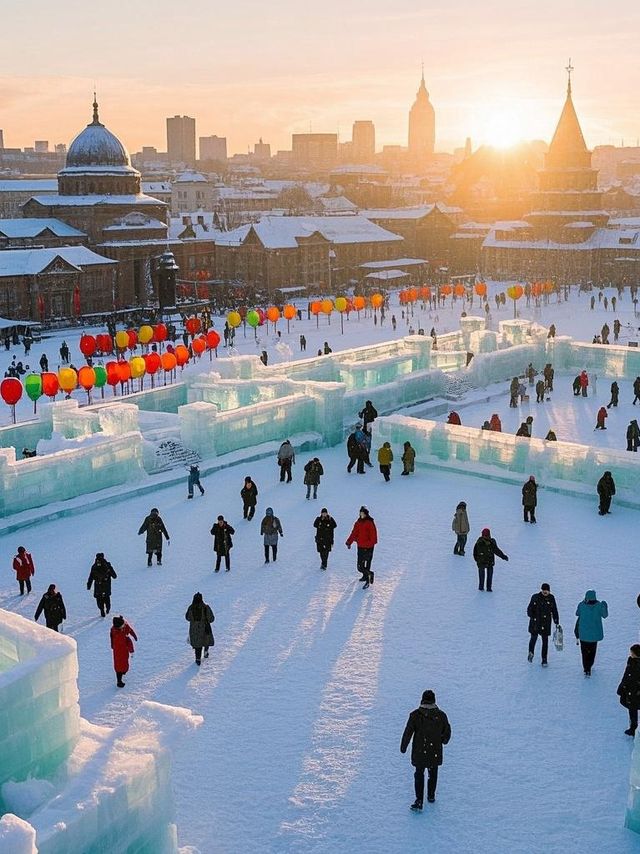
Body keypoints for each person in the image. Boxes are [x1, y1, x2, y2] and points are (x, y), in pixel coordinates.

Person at [400, 689, 451, 811]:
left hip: (419, 751)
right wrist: (443, 740)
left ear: (422, 700)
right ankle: (431, 795)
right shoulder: (441, 716)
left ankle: (419, 800)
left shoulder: (415, 715)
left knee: (419, 774)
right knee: (433, 773)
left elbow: (408, 732)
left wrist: (403, 747)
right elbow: (447, 732)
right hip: (435, 750)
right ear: (434, 701)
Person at [575, 590, 608, 677]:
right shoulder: (599, 605)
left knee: (584, 652)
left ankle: (586, 668)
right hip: (594, 635)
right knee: (592, 651)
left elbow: (577, 613)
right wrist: (605, 605)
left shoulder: (581, 605)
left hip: (583, 634)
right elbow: (605, 615)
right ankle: (590, 665)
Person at [527, 583, 559, 666]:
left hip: (546, 622)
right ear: (541, 590)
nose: (545, 592)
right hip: (535, 622)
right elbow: (529, 608)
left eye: (547, 590)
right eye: (544, 590)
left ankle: (544, 659)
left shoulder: (551, 598)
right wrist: (532, 616)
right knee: (533, 638)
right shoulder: (535, 597)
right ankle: (531, 652)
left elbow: (554, 609)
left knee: (545, 641)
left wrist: (556, 621)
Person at [345, 506, 378, 589]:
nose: (361, 514)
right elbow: (354, 533)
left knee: (367, 564)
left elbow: (374, 536)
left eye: (363, 513)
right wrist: (349, 542)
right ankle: (368, 574)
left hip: (369, 547)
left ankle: (367, 580)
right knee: (360, 566)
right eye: (360, 513)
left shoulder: (370, 522)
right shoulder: (358, 522)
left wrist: (369, 544)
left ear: (366, 514)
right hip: (360, 546)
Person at [472, 527, 508, 592]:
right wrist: (478, 560)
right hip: (481, 563)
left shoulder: (492, 542)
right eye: (485, 536)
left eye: (488, 535)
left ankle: (489, 588)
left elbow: (496, 550)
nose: (487, 537)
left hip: (490, 562)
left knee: (490, 576)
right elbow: (475, 553)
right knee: (481, 576)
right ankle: (481, 588)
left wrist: (503, 556)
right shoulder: (479, 543)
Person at [185, 592, 215, 665]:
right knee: (206, 641)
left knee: (197, 645)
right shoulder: (206, 607)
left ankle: (198, 659)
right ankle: (206, 652)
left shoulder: (191, 608)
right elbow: (211, 619)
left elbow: (187, 618)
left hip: (194, 630)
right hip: (205, 628)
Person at [617, 644, 640, 736]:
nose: (630, 654)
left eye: (632, 652)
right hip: (631, 690)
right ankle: (633, 728)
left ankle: (633, 728)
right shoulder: (631, 661)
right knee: (632, 709)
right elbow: (626, 676)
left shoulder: (635, 664)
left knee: (633, 709)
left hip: (634, 691)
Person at [87, 553, 117, 617]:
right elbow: (114, 576)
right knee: (107, 600)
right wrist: (110, 570)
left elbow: (91, 577)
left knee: (99, 601)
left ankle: (102, 610)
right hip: (106, 587)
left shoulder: (94, 567)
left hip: (98, 587)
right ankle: (107, 609)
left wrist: (89, 585)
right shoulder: (107, 565)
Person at [110, 615, 137, 688]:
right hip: (119, 651)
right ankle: (119, 681)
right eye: (122, 625)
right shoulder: (121, 634)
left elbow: (129, 629)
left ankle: (123, 672)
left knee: (121, 664)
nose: (124, 625)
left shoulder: (121, 627)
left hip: (121, 651)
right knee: (120, 666)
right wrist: (132, 651)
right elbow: (129, 643)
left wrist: (134, 635)